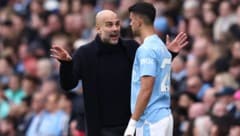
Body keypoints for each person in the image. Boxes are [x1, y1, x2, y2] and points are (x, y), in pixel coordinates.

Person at [51, 9, 187, 136]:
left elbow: (151, 71)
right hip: (100, 129)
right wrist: (66, 64)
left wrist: (169, 54)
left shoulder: (131, 48)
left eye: (117, 24)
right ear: (98, 29)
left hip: (132, 126)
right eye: (109, 25)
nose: (115, 29)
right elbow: (68, 85)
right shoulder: (85, 53)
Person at [124, 3, 187, 136]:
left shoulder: (146, 49)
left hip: (151, 119)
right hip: (163, 115)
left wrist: (132, 122)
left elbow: (146, 88)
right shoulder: (161, 46)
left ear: (139, 20)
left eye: (131, 19)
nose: (130, 24)